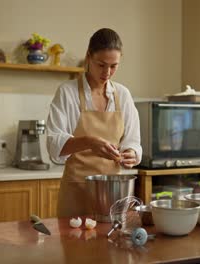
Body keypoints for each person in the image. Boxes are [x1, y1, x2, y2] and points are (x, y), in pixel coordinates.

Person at [46, 28, 142, 218]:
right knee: (74, 245)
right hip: (76, 192)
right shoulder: (67, 92)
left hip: (111, 195)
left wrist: (131, 153)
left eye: (114, 66)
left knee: (111, 246)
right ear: (88, 57)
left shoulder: (123, 95)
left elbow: (132, 141)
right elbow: (53, 145)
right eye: (101, 65)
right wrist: (89, 142)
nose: (107, 72)